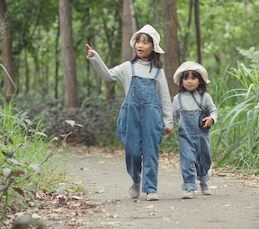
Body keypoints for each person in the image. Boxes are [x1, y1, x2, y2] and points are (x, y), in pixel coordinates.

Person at [86, 24, 174, 201]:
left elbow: (164, 97)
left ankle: (150, 189)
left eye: (145, 42)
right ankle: (136, 179)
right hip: (131, 117)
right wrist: (95, 58)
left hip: (152, 118)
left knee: (151, 152)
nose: (140, 46)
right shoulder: (127, 67)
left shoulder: (158, 72)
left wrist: (168, 121)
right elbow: (108, 75)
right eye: (138, 42)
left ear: (153, 48)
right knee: (132, 152)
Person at [172, 61, 218, 199]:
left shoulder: (205, 97)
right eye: (186, 78)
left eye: (193, 78)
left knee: (204, 160)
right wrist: (168, 126)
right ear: (181, 81)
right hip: (185, 136)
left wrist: (211, 119)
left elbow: (213, 110)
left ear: (200, 81)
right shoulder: (178, 99)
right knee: (187, 160)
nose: (189, 81)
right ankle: (189, 186)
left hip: (202, 136)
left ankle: (203, 181)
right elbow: (173, 116)